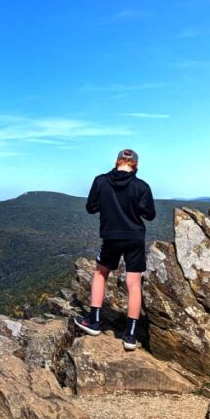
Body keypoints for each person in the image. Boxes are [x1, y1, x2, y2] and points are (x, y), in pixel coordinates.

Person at [74, 148, 156, 350]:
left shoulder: (101, 181)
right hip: (134, 238)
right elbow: (149, 214)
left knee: (100, 273)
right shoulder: (141, 186)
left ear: (117, 161)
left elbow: (91, 208)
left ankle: (94, 321)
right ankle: (130, 336)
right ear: (135, 165)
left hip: (111, 237)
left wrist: (108, 203)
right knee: (133, 283)